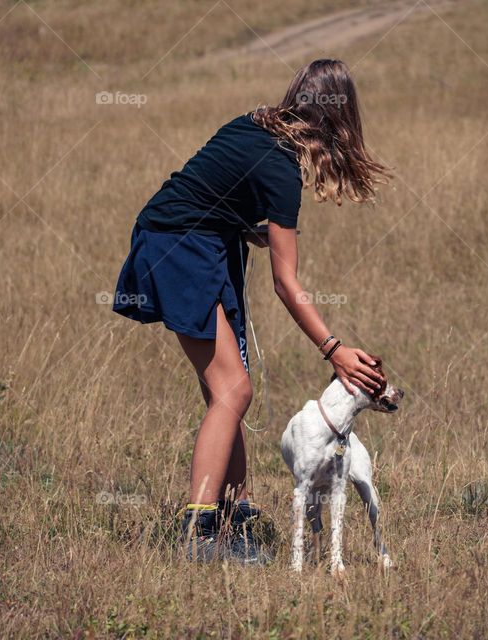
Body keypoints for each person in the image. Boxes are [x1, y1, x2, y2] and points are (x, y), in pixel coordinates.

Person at [112, 59, 391, 564]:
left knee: (228, 388)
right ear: (340, 119)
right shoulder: (282, 169)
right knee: (233, 389)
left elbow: (204, 190)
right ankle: (197, 533)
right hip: (180, 249)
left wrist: (243, 228)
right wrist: (335, 351)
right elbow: (286, 284)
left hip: (190, 241)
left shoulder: (254, 122)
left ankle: (234, 511)